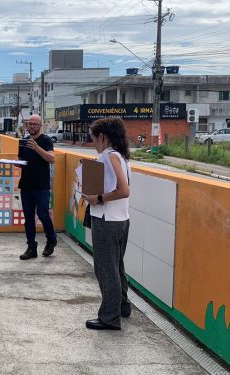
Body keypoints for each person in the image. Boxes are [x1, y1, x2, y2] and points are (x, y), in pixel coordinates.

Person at [83, 117, 131, 331]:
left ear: (102, 137)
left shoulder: (108, 157)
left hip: (106, 220)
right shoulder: (120, 156)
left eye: (93, 139)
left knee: (105, 269)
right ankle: (122, 305)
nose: (93, 144)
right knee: (117, 265)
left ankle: (109, 317)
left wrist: (98, 198)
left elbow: (124, 190)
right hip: (121, 219)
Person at [17, 114, 57, 260]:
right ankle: (31, 247)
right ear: (26, 126)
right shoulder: (23, 141)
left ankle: (51, 239)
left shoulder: (46, 140)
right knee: (28, 218)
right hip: (26, 184)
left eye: (35, 124)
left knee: (43, 214)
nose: (32, 126)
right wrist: (16, 163)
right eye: (30, 124)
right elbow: (21, 159)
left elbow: (52, 159)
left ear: (40, 126)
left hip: (41, 186)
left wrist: (37, 148)